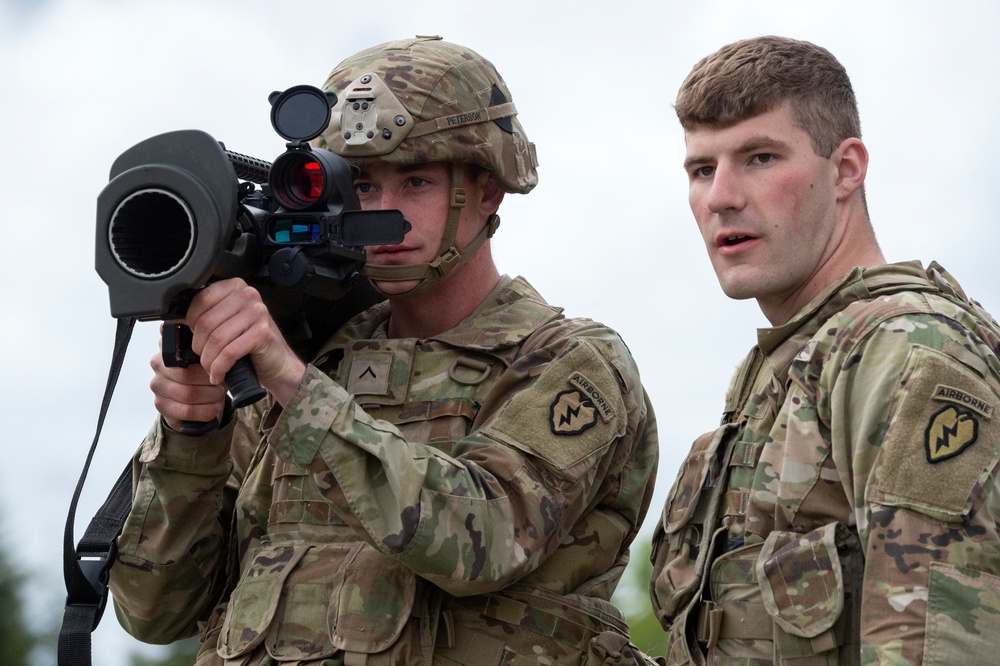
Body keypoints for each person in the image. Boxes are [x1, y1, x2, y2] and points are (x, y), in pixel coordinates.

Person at [108, 36, 659, 665]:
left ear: (488, 191)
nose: (385, 212)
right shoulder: (316, 358)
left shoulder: (568, 361)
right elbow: (156, 611)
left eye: (417, 181)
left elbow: (483, 542)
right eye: (363, 185)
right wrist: (193, 433)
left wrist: (295, 388)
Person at [649, 35, 1000, 665]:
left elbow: (939, 647)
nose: (722, 197)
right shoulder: (777, 374)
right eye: (703, 170)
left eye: (758, 158)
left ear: (845, 170)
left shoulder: (903, 349)